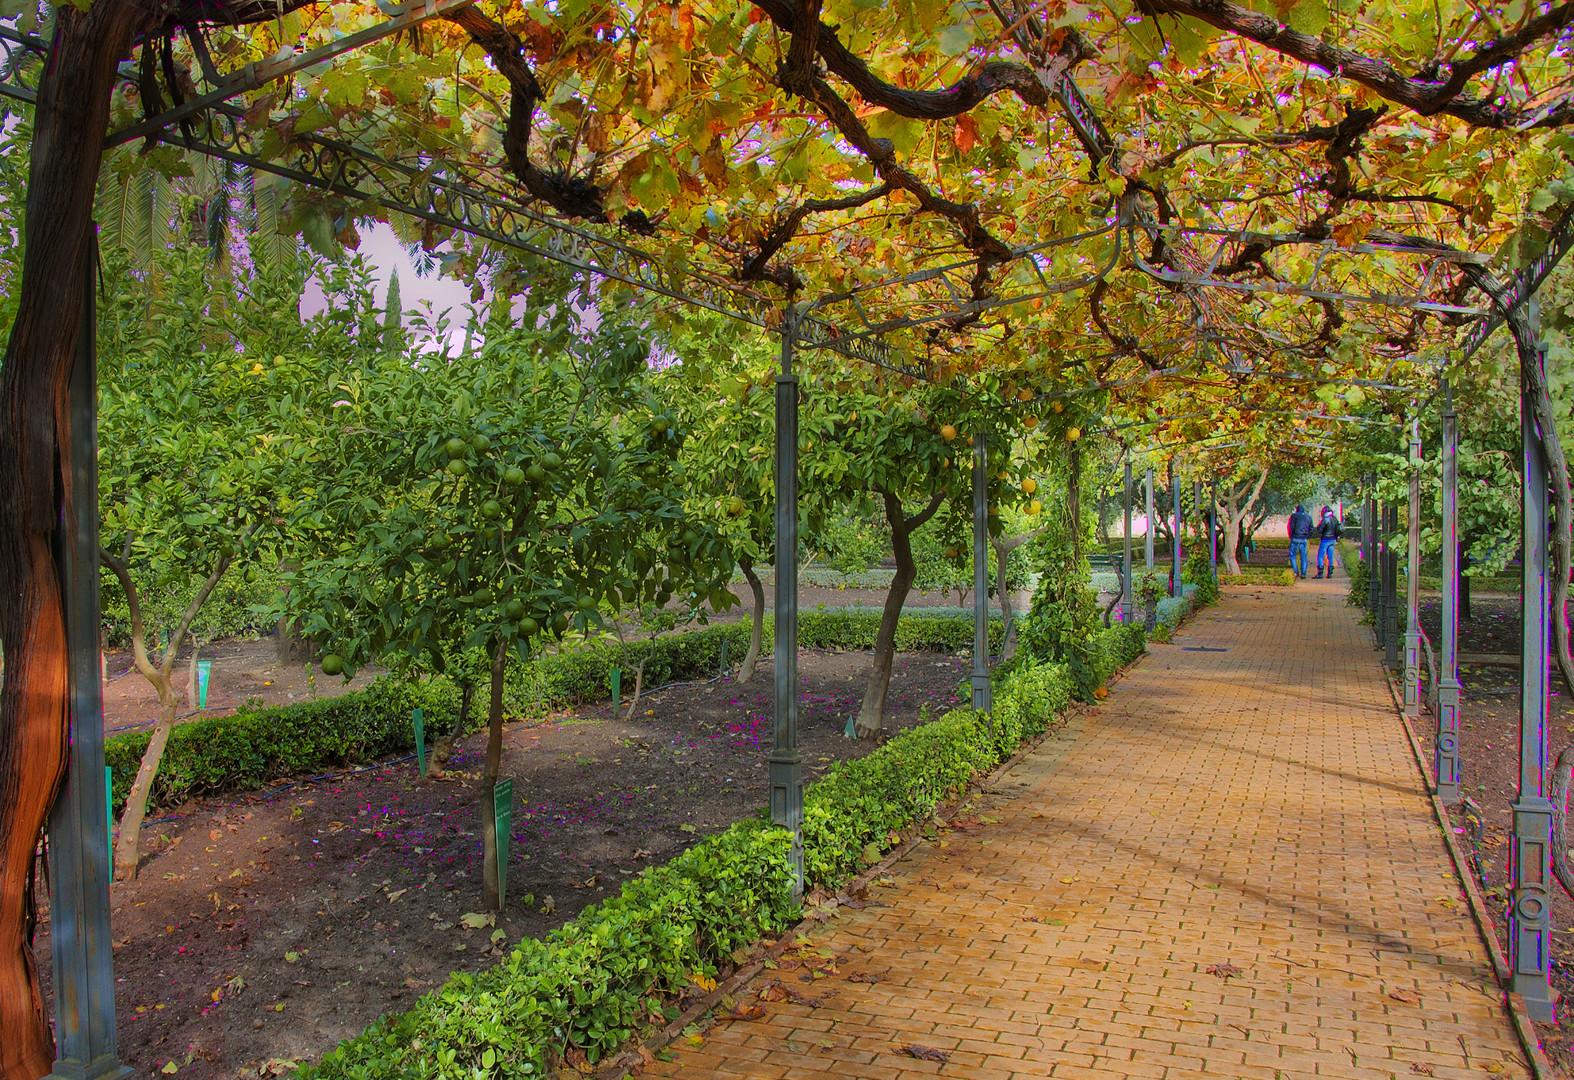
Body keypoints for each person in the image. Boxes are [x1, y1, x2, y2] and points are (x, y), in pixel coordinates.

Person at [1314, 505, 1342, 579]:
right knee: (1330, 556)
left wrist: (1319, 526)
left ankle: (1320, 573)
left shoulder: (1325, 519)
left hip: (1325, 539)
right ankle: (1330, 573)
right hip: (1333, 540)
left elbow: (1320, 529)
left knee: (1320, 556)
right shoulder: (1334, 519)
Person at [1287, 504, 1314, 579]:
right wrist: (1307, 536)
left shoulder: (1294, 516)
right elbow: (1311, 528)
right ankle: (1303, 573)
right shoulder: (1308, 517)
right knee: (1303, 556)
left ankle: (1295, 572)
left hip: (1295, 537)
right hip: (1303, 538)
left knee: (1292, 555)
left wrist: (1291, 535)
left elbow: (1290, 526)